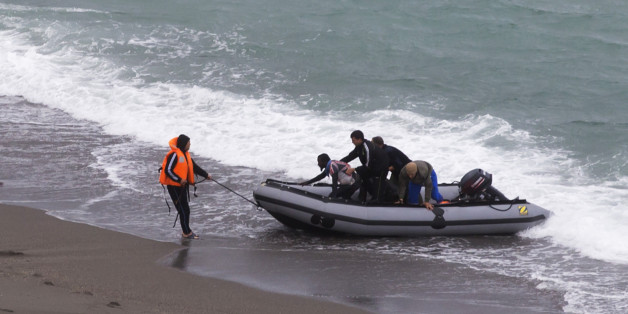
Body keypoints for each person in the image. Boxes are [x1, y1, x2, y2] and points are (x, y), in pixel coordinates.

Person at [159, 134, 211, 239]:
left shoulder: (186, 154)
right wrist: (179, 179)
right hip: (174, 186)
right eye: (188, 142)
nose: (190, 144)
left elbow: (194, 167)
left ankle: (186, 231)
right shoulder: (175, 155)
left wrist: (206, 175)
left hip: (182, 186)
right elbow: (168, 170)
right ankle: (186, 233)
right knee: (183, 210)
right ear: (184, 144)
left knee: (185, 209)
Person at [340, 130, 390, 202]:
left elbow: (367, 166)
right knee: (362, 178)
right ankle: (361, 198)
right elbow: (350, 156)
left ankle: (376, 201)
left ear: (359, 139)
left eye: (353, 140)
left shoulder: (367, 148)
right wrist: (338, 163)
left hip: (381, 169)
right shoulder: (359, 146)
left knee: (377, 194)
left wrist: (353, 169)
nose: (352, 142)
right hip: (372, 167)